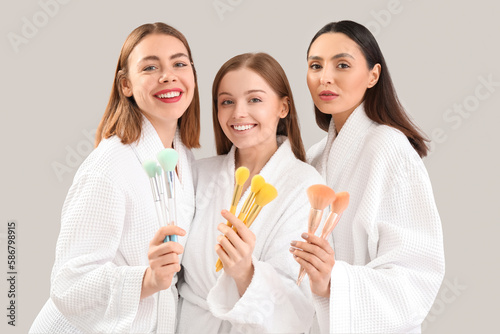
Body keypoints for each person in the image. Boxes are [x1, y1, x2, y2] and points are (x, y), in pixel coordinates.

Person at [29, 22, 200, 333]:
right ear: (126, 85)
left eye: (179, 63)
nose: (168, 75)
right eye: (150, 67)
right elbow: (69, 285)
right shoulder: (110, 166)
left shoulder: (182, 159)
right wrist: (148, 279)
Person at [290, 20, 445, 333]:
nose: (325, 78)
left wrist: (332, 281)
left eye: (342, 65)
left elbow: (416, 274)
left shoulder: (389, 148)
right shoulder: (315, 156)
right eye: (315, 65)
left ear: (373, 75)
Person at [177, 52, 324, 333]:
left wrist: (245, 273)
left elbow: (298, 306)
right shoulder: (199, 174)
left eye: (254, 99)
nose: (238, 113)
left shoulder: (305, 185)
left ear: (283, 107)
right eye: (227, 102)